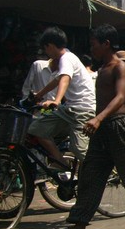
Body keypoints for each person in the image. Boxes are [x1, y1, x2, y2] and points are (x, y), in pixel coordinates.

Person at [48, 23, 125, 229]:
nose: (91, 49)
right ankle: (79, 226)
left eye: (94, 44)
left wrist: (98, 118)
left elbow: (120, 97)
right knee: (90, 176)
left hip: (117, 126)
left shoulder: (119, 67)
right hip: (102, 130)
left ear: (106, 44)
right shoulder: (101, 69)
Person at [28, 26, 96, 164]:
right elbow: (56, 80)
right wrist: (39, 95)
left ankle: (103, 170)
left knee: (79, 150)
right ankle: (61, 163)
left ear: (51, 46)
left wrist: (57, 101)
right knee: (36, 129)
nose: (46, 53)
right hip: (69, 110)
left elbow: (65, 78)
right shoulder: (64, 60)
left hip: (82, 110)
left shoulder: (67, 58)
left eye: (45, 49)